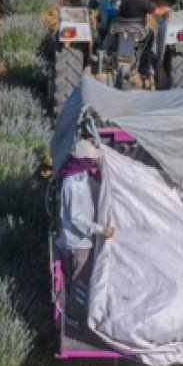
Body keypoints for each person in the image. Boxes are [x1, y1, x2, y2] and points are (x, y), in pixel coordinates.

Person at [58, 139, 114, 325]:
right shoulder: (72, 184)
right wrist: (101, 230)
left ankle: (79, 312)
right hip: (78, 241)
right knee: (80, 279)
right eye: (90, 159)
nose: (93, 161)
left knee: (82, 276)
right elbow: (76, 218)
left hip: (84, 238)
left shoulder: (81, 175)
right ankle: (74, 316)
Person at [115, 0, 169, 78]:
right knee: (151, 34)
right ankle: (144, 65)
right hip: (137, 31)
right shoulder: (143, 2)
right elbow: (158, 11)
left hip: (120, 28)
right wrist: (166, 9)